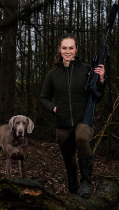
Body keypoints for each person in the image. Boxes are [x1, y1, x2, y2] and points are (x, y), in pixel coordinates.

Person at [39, 33, 105, 196]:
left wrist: (101, 80)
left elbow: (98, 96)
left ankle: (86, 182)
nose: (67, 51)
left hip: (83, 120)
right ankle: (75, 196)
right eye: (64, 48)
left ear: (76, 49)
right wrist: (54, 108)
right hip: (62, 124)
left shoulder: (88, 70)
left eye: (71, 48)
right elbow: (43, 97)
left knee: (82, 137)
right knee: (70, 164)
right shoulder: (53, 74)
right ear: (59, 50)